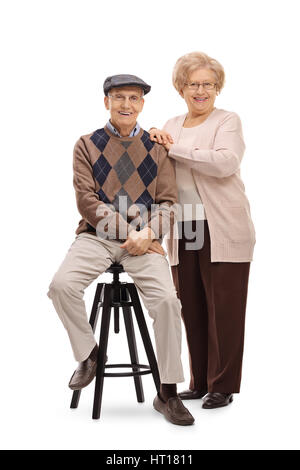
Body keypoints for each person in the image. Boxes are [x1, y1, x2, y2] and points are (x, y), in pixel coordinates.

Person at [47, 74, 194, 425]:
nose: (126, 104)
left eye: (133, 98)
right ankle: (89, 354)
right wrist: (132, 232)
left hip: (145, 241)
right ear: (106, 102)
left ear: (142, 104)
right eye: (118, 98)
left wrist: (148, 234)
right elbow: (86, 201)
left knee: (168, 302)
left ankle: (168, 392)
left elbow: (169, 203)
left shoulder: (158, 148)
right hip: (97, 236)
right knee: (61, 286)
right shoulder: (86, 144)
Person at [149, 52, 256, 409]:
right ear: (181, 88)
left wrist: (172, 148)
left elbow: (226, 162)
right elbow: (160, 166)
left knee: (224, 306)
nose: (201, 90)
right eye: (193, 84)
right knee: (191, 304)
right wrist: (153, 142)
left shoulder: (227, 121)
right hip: (186, 222)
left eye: (208, 84)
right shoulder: (173, 122)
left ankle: (222, 385)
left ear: (217, 88)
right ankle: (199, 381)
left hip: (223, 223)